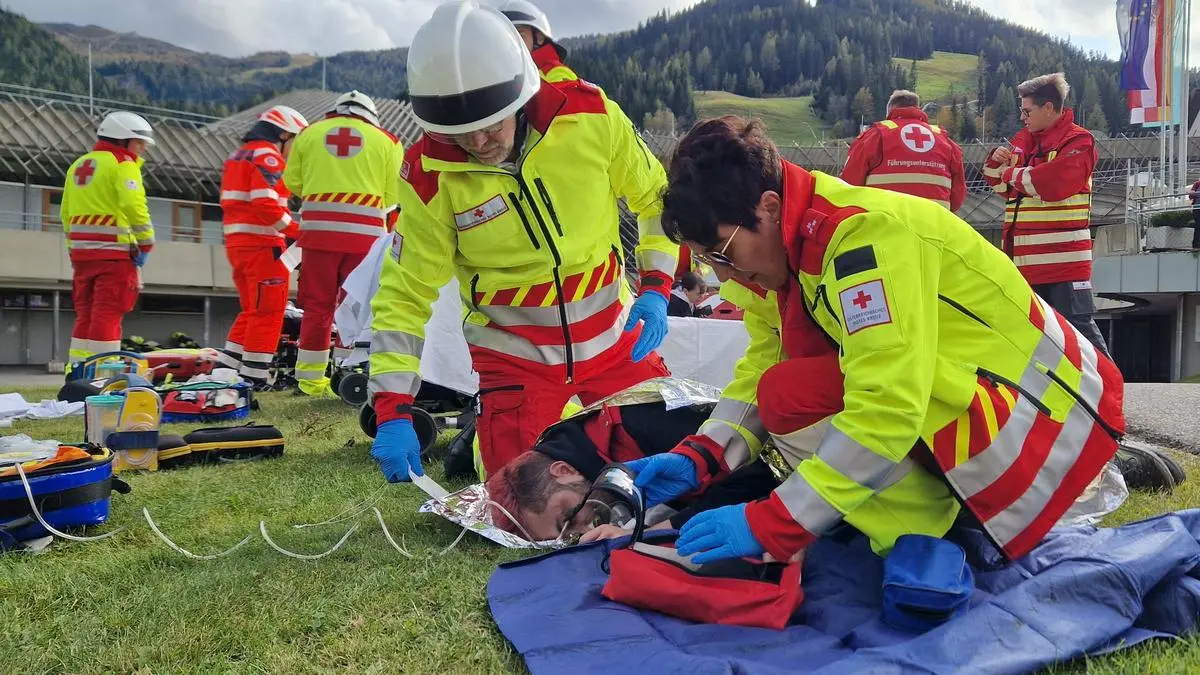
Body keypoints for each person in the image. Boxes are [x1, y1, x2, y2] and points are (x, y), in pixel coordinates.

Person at [631, 115, 1124, 565]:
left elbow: (886, 405)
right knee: (786, 387)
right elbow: (763, 364)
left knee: (791, 396)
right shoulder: (787, 250)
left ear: (770, 205)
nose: (723, 273)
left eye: (723, 252)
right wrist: (702, 454)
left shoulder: (862, 242)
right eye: (709, 261)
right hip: (1005, 410)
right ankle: (917, 521)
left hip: (1043, 430)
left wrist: (777, 522)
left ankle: (926, 535)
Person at [369, 0, 678, 483]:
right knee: (519, 498)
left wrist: (657, 287)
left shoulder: (590, 115)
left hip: (617, 341)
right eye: (461, 133)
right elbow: (403, 295)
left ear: (519, 94)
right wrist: (392, 409)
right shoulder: (429, 174)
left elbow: (658, 200)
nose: (479, 142)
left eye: (491, 124)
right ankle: (484, 434)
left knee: (672, 461)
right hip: (515, 361)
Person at [485, 391, 785, 542]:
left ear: (563, 471)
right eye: (568, 535)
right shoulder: (582, 449)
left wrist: (652, 532)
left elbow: (759, 481)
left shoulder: (641, 426)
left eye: (568, 516)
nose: (583, 529)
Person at [283, 90, 404, 397]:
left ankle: (310, 382)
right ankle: (353, 371)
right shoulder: (387, 141)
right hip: (365, 240)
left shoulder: (309, 134)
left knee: (317, 308)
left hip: (317, 237)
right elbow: (393, 194)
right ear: (371, 115)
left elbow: (293, 182)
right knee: (361, 307)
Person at [983, 73, 1109, 357]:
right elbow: (1004, 188)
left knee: (1078, 330)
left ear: (1049, 108)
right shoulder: (1025, 142)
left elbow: (1052, 183)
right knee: (1034, 335)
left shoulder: (1079, 140)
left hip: (1063, 262)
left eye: (1027, 111)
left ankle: (1109, 393)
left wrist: (1012, 173)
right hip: (1026, 264)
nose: (1022, 117)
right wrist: (995, 163)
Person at [216, 106, 309, 387]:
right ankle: (255, 378)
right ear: (283, 134)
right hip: (263, 245)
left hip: (238, 244)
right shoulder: (267, 156)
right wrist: (297, 232)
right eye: (295, 141)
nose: (295, 149)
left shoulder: (238, 156)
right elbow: (265, 202)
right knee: (269, 312)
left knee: (251, 311)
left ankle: (225, 372)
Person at [60, 111, 157, 363]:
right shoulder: (123, 164)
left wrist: (73, 249)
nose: (142, 149)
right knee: (108, 314)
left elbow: (65, 213)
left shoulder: (78, 165)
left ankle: (76, 372)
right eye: (139, 143)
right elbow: (134, 205)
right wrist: (146, 242)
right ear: (122, 140)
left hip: (82, 257)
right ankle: (103, 374)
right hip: (114, 256)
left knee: (85, 314)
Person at [841, 89, 965, 213]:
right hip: (934, 228)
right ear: (918, 109)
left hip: (887, 228)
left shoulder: (874, 137)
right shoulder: (946, 141)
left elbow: (848, 187)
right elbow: (957, 198)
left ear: (890, 111)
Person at [497, 0, 577, 83]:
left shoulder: (557, 75)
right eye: (502, 37)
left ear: (539, 38)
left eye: (519, 34)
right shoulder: (498, 75)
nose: (510, 43)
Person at [1189, 177, 1200, 250]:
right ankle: (1196, 245)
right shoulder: (1197, 184)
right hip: (1197, 208)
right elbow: (1191, 196)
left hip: (1197, 207)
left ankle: (1196, 244)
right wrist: (1192, 193)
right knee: (1198, 226)